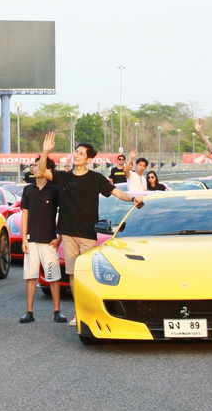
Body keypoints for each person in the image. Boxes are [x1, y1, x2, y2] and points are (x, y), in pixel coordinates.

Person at [37, 131, 144, 326]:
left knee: (88, 275)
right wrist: (45, 152)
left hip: (87, 235)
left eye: (80, 153)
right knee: (73, 275)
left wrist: (132, 198)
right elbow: (42, 171)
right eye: (75, 152)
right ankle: (78, 313)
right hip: (68, 234)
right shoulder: (63, 177)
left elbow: (118, 193)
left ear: (88, 159)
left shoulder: (96, 179)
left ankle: (92, 312)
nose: (76, 155)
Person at [18, 157, 67, 324]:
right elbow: (25, 214)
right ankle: (29, 311)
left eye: (40, 165)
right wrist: (24, 238)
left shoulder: (55, 189)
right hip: (31, 239)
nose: (35, 168)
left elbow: (64, 214)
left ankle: (57, 311)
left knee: (53, 277)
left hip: (49, 240)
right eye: (35, 165)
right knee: (30, 276)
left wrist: (59, 238)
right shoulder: (28, 190)